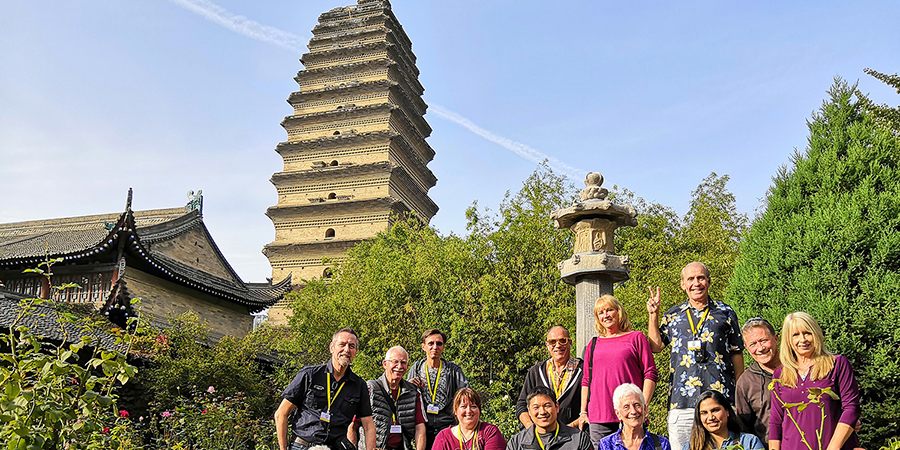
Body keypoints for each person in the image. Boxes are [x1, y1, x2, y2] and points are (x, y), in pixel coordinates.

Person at [646, 262, 744, 450]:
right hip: (682, 401)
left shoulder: (726, 312)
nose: (696, 283)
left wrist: (739, 394)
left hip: (720, 400)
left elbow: (736, 352)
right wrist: (653, 315)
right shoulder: (673, 315)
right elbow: (656, 346)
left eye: (700, 278)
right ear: (683, 284)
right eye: (690, 279)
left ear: (708, 281)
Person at [769, 312, 861, 450]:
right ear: (788, 340)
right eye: (795, 335)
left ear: (816, 333)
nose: (803, 339)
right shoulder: (780, 375)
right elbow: (776, 421)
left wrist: (833, 448)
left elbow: (851, 408)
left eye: (807, 333)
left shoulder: (837, 364)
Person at [275, 327, 376, 450]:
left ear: (356, 351)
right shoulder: (309, 375)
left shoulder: (359, 385)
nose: (346, 350)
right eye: (342, 344)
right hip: (303, 445)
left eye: (351, 346)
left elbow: (369, 425)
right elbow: (281, 414)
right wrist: (283, 448)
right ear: (332, 348)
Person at [581, 295, 658, 445]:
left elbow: (650, 373)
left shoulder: (636, 337)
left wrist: (644, 405)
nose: (606, 315)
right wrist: (583, 411)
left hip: (631, 412)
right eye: (601, 313)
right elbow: (586, 380)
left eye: (609, 310)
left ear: (619, 312)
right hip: (599, 414)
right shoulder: (594, 343)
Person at [349, 346, 426, 450]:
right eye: (395, 362)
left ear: (407, 366)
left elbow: (420, 427)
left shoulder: (413, 392)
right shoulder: (370, 389)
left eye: (403, 363)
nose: (399, 366)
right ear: (385, 364)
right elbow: (353, 426)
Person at [408, 329, 470, 449]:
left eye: (439, 343)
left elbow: (466, 395)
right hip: (423, 428)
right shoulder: (416, 369)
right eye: (431, 343)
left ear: (443, 347)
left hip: (447, 427)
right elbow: (406, 397)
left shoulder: (453, 370)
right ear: (423, 346)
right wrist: (410, 385)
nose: (435, 347)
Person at [515, 326, 584, 429]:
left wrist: (567, 430)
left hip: (573, 436)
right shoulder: (536, 371)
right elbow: (522, 405)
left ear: (570, 343)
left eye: (562, 341)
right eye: (553, 342)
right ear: (547, 345)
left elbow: (592, 408)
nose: (558, 345)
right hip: (540, 438)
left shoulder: (583, 371)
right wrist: (532, 429)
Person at [735, 318, 780, 447]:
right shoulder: (745, 383)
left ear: (776, 338)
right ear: (747, 348)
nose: (760, 348)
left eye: (763, 340)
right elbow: (744, 428)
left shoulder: (796, 368)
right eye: (753, 344)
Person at [507, 386, 592, 450]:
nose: (542, 412)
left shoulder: (578, 439)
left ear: (557, 407)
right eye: (536, 407)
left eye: (547, 406)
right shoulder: (517, 443)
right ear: (529, 410)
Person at [597, 383, 671, 450]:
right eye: (626, 407)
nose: (633, 411)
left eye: (637, 405)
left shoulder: (661, 444)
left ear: (645, 409)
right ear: (618, 414)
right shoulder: (607, 445)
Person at [685, 390, 764, 450]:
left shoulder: (749, 442)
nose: (710, 417)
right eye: (704, 413)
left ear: (727, 412)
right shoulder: (691, 446)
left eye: (715, 410)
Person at [431, 388, 505, 450]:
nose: (469, 411)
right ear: (455, 411)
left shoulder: (489, 432)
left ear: (479, 410)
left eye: (473, 406)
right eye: (463, 406)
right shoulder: (443, 437)